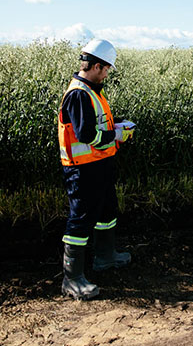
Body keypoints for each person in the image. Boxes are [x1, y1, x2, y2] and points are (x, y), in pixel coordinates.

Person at [58, 39, 135, 300]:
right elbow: (86, 134)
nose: (107, 74)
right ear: (97, 66)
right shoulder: (79, 93)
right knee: (81, 219)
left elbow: (98, 123)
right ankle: (72, 279)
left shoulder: (92, 90)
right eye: (107, 69)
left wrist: (117, 125)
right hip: (82, 170)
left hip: (99, 165)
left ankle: (105, 256)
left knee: (107, 210)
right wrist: (116, 136)